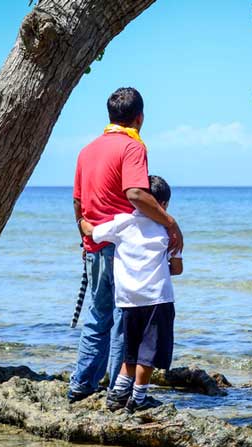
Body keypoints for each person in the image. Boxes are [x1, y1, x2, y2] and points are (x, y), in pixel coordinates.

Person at [69, 88, 183, 403]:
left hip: (96, 242)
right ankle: (120, 392)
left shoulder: (87, 150)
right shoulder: (132, 146)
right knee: (124, 319)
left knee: (97, 315)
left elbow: (78, 202)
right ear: (139, 117)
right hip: (121, 245)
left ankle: (81, 384)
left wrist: (84, 235)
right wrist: (169, 222)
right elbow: (135, 194)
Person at [80, 175, 182, 412]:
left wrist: (81, 220)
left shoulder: (122, 223)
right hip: (158, 298)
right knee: (149, 353)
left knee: (131, 350)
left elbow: (91, 232)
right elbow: (177, 268)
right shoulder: (167, 231)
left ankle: (117, 394)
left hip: (128, 299)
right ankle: (139, 397)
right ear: (163, 205)